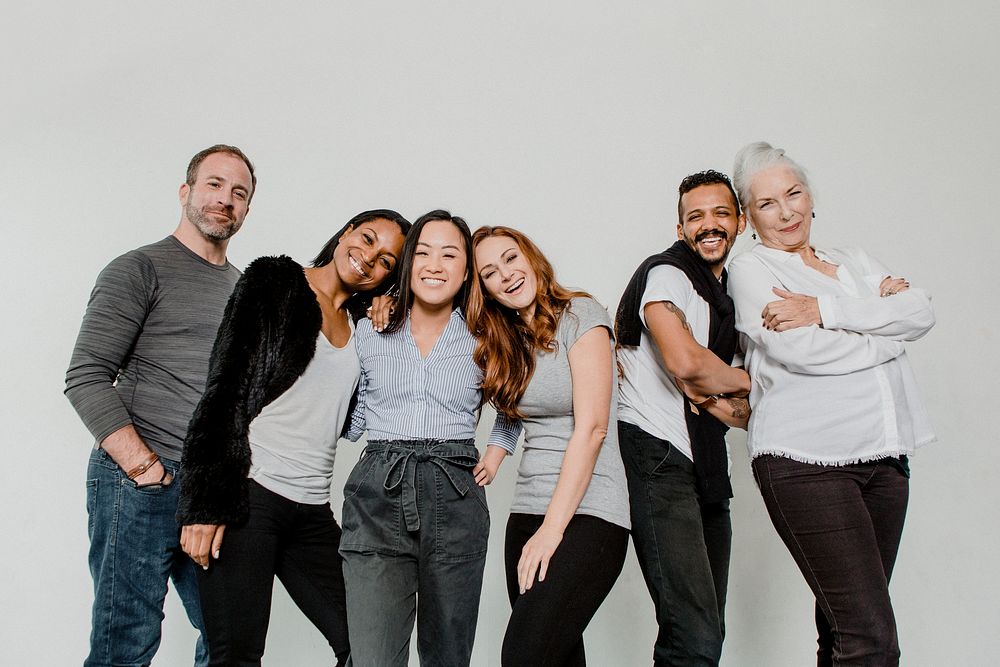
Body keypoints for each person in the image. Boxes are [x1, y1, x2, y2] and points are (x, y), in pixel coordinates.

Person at [727, 141, 936, 666]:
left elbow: (920, 312)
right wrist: (882, 324)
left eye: (794, 193)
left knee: (844, 634)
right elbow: (804, 353)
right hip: (807, 464)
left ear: (811, 196)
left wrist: (822, 308)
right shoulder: (753, 270)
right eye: (768, 203)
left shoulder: (853, 261)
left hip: (885, 461)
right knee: (870, 639)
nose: (787, 210)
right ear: (749, 216)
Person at [176, 209, 410, 666]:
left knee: (366, 645)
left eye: (385, 261)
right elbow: (224, 389)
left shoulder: (366, 327)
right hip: (248, 497)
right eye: (365, 239)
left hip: (311, 510)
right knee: (237, 655)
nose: (367, 259)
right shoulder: (275, 281)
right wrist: (204, 504)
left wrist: (395, 300)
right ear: (345, 232)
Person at [65, 144, 255, 667]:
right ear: (186, 191)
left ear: (247, 209)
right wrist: (141, 466)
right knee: (126, 641)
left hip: (208, 490)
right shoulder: (139, 268)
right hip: (138, 483)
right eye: (214, 184)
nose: (226, 199)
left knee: (224, 637)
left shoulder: (242, 290)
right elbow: (85, 376)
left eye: (239, 192)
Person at [339, 210, 519, 667]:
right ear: (407, 264)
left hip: (455, 491)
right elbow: (353, 417)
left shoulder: (485, 336)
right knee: (373, 657)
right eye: (422, 252)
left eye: (449, 254)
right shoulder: (370, 329)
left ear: (465, 272)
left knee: (447, 656)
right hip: (378, 487)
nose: (434, 264)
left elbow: (515, 405)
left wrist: (496, 454)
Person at [468, 226, 631, 667]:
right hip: (526, 513)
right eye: (489, 272)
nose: (505, 274)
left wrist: (552, 531)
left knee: (523, 656)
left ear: (531, 256)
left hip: (590, 514)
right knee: (556, 657)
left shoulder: (581, 314)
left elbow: (594, 427)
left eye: (510, 258)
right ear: (484, 289)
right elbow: (512, 411)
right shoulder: (508, 341)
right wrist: (494, 455)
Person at [614, 169, 752, 666]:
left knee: (707, 631)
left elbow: (741, 417)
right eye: (696, 217)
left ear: (740, 222)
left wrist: (710, 390)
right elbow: (686, 363)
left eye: (720, 213)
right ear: (681, 230)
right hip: (661, 460)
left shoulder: (732, 299)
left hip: (709, 471)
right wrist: (748, 380)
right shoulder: (668, 274)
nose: (709, 225)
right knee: (691, 635)